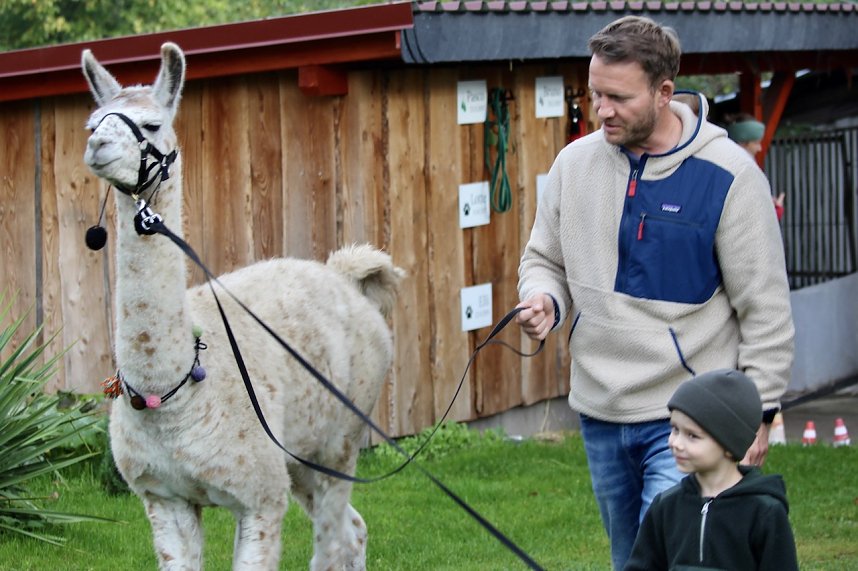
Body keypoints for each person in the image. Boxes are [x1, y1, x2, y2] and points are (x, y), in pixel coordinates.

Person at [515, 15, 794, 570]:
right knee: (632, 561)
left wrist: (758, 410)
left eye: (618, 97)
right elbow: (544, 259)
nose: (602, 111)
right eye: (596, 94)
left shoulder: (730, 176)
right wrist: (545, 296)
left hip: (691, 419)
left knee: (683, 561)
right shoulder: (574, 164)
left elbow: (765, 308)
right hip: (599, 410)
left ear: (665, 93)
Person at [624, 369, 799, 570]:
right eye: (675, 429)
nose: (676, 443)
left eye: (692, 436)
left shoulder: (764, 512)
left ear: (728, 444)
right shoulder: (665, 506)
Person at [725, 113, 786, 220]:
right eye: (757, 143)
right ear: (743, 142)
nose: (760, 149)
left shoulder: (727, 165)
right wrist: (775, 212)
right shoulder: (743, 170)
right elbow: (752, 217)